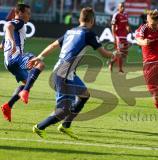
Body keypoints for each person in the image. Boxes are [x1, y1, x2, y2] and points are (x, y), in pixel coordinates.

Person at [29, 7, 117, 139]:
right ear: (92, 20)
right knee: (63, 110)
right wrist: (115, 55)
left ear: (80, 19)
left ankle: (66, 126)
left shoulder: (70, 31)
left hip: (66, 72)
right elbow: (104, 54)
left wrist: (39, 57)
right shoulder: (88, 33)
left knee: (84, 95)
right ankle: (40, 126)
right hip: (63, 74)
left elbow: (53, 45)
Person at [1, 4, 45, 122]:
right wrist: (13, 42)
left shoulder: (14, 27)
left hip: (9, 63)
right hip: (17, 58)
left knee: (27, 84)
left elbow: (2, 45)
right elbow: (9, 26)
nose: (29, 16)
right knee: (40, 64)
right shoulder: (18, 22)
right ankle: (24, 92)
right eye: (28, 13)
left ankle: (8, 106)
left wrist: (9, 42)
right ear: (20, 13)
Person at [109, 2, 131, 73]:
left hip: (124, 36)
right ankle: (120, 69)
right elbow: (113, 27)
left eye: (123, 6)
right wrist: (114, 37)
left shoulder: (126, 14)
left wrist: (128, 29)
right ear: (118, 7)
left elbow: (127, 24)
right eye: (121, 6)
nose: (123, 8)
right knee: (120, 53)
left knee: (125, 53)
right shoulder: (116, 15)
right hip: (119, 37)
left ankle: (111, 62)